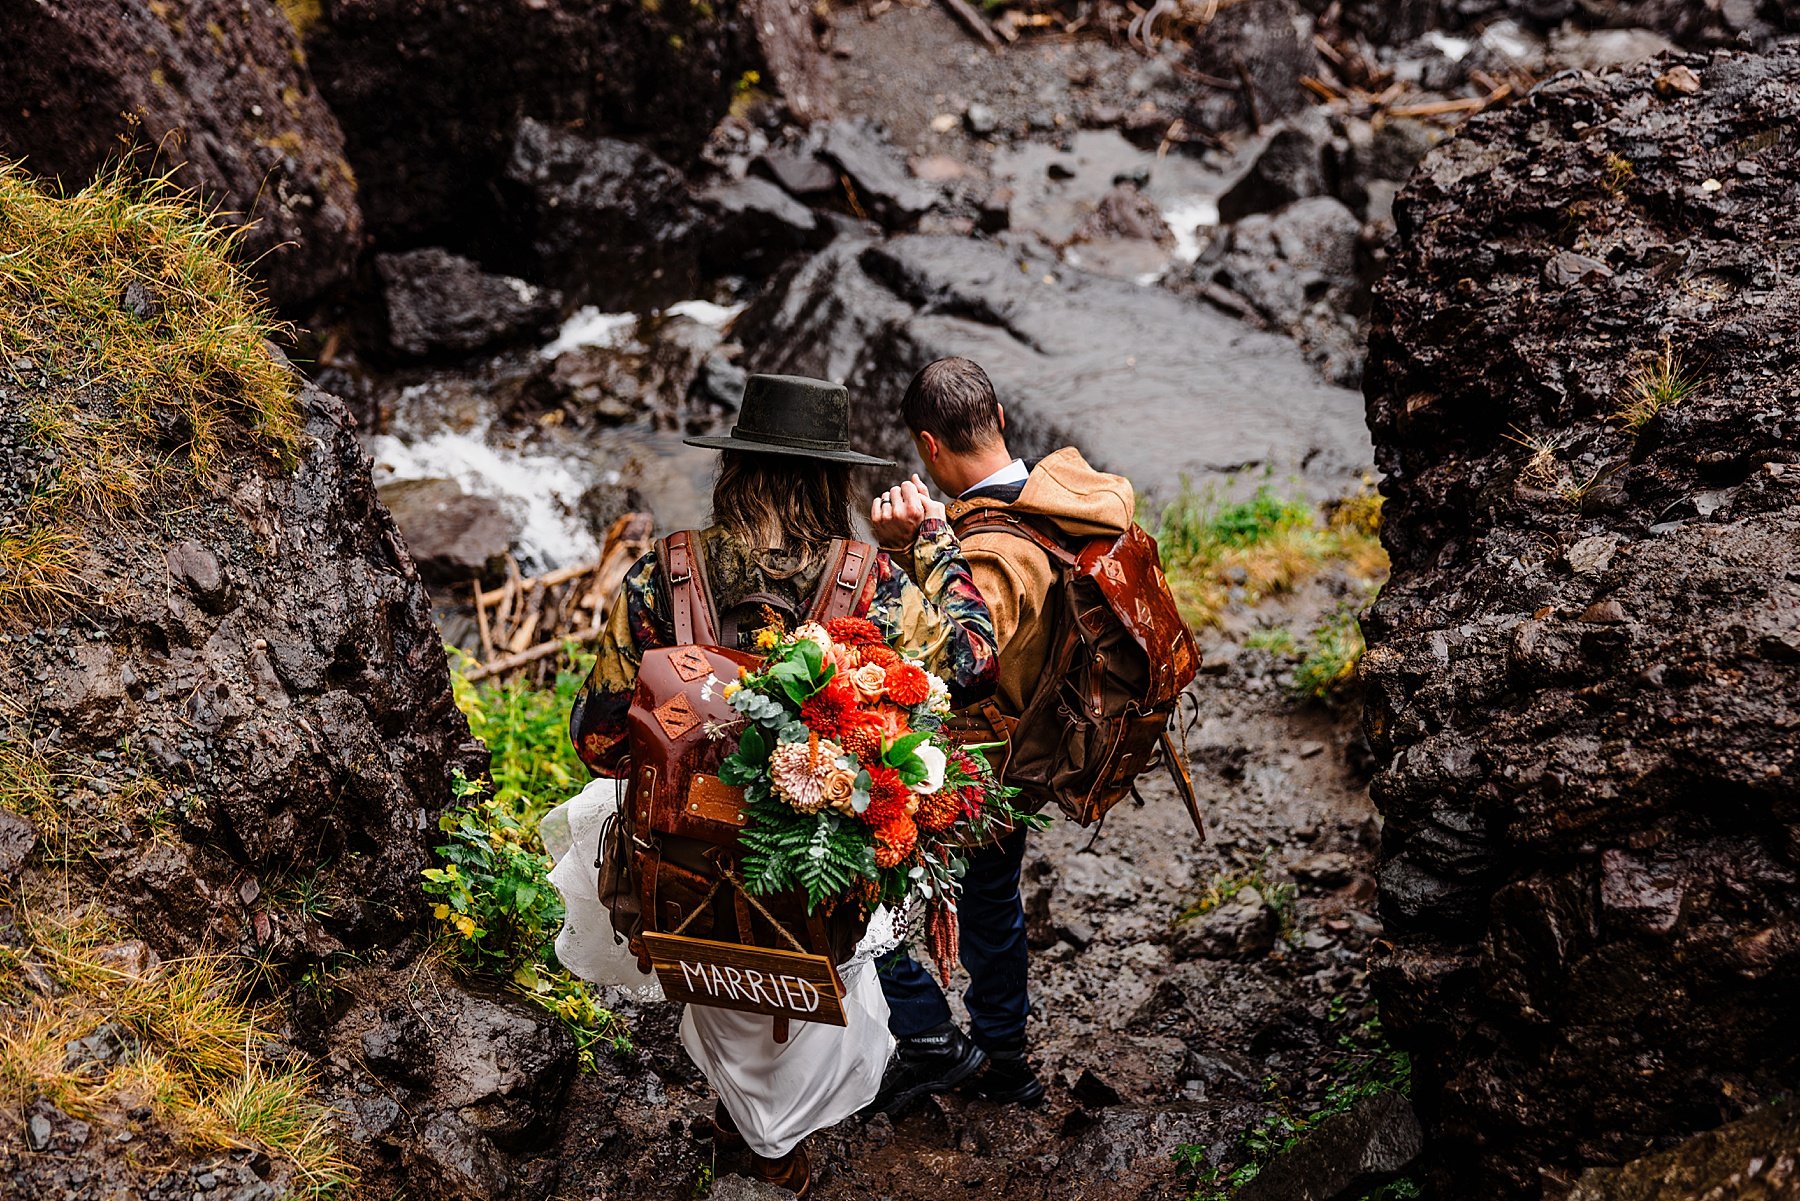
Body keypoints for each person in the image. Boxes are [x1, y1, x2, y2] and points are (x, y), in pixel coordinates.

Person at [567, 373, 1001, 1195]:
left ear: (734, 467)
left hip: (688, 881)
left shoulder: (664, 574)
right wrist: (937, 541)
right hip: (814, 887)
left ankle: (751, 1140)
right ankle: (774, 1155)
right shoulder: (873, 583)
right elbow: (974, 664)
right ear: (835, 478)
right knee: (808, 1000)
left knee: (722, 993)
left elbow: (596, 741)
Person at [865, 356, 1135, 1114]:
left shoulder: (986, 547)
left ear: (927, 446)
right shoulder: (1064, 502)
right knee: (993, 902)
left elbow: (956, 657)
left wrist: (907, 546)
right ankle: (1006, 1058)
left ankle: (929, 1035)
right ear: (1002, 418)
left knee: (861, 898)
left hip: (978, 762)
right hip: (1038, 745)